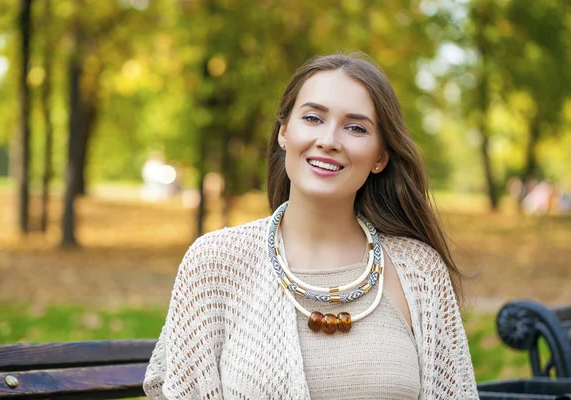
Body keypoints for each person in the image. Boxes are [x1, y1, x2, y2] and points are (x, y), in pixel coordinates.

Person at [144, 53, 479, 399]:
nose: (329, 140)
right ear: (284, 132)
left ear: (380, 156)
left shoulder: (420, 272)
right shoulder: (216, 262)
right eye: (313, 118)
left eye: (356, 127)